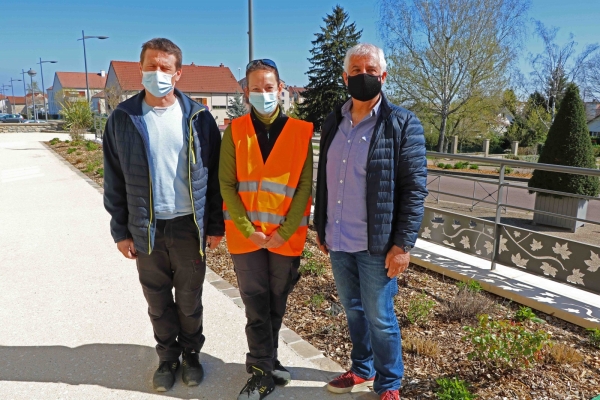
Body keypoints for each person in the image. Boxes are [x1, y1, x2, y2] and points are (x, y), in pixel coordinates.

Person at [103, 38, 224, 392]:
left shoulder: (199, 117)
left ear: (178, 73)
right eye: (151, 66)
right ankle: (167, 358)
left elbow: (214, 176)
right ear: (141, 70)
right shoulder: (123, 118)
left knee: (189, 301)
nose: (158, 73)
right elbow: (114, 179)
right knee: (157, 301)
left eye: (165, 67)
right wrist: (120, 231)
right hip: (147, 227)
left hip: (189, 226)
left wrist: (215, 225)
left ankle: (191, 356)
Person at [313, 43, 428, 400]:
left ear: (383, 76)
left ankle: (389, 382)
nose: (364, 76)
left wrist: (402, 245)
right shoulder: (334, 120)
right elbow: (326, 179)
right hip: (338, 238)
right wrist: (321, 226)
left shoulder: (402, 123)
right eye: (356, 70)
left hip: (377, 245)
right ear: (345, 77)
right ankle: (361, 369)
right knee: (353, 310)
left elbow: (414, 190)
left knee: (380, 316)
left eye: (370, 70)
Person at [219, 59, 313, 400]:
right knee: (256, 307)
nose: (263, 93)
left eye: (269, 87)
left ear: (281, 89)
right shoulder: (235, 130)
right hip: (248, 239)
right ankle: (260, 372)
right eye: (256, 88)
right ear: (246, 93)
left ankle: (269, 361)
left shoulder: (300, 132)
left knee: (276, 304)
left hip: (284, 239)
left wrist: (283, 232)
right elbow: (227, 184)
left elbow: (304, 186)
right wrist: (250, 230)